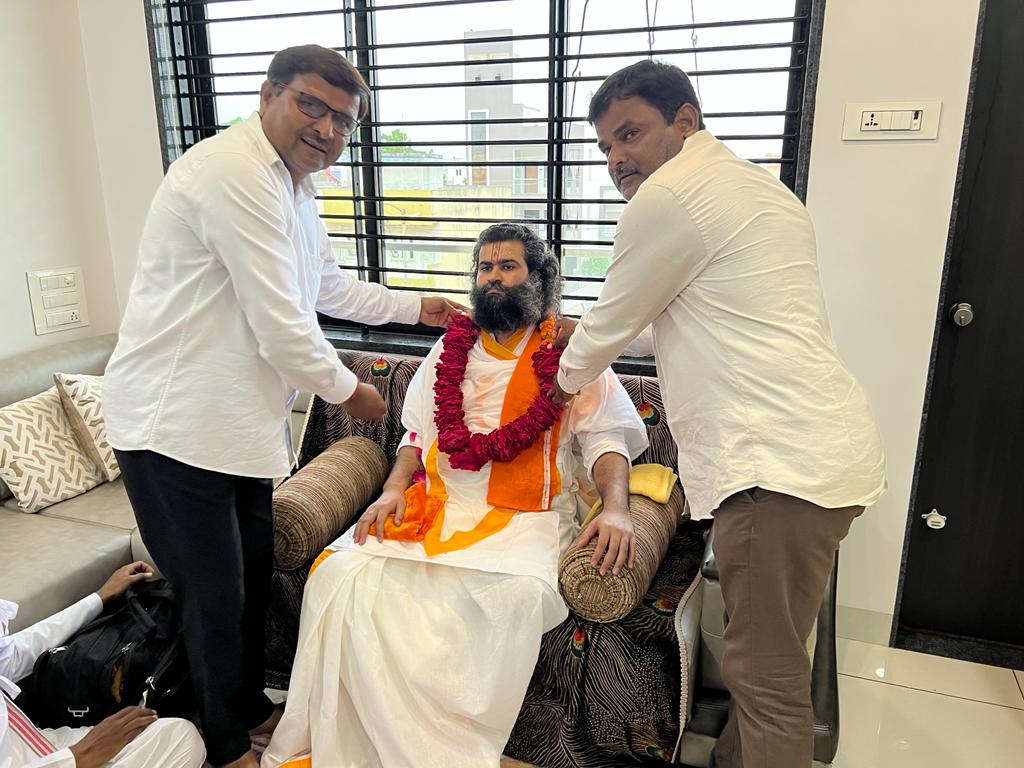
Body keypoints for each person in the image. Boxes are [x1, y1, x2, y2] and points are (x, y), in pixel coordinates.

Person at [102, 45, 462, 768]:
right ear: (269, 94)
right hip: (172, 427)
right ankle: (226, 746)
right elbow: (284, 325)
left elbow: (325, 288)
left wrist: (415, 306)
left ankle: (245, 706)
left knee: (248, 582)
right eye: (311, 105)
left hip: (235, 430)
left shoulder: (296, 190)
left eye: (344, 120)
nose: (327, 129)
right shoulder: (231, 173)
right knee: (212, 596)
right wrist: (354, 392)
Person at [549, 61, 887, 768]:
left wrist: (553, 379)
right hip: (824, 452)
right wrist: (583, 335)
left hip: (776, 470)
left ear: (685, 121)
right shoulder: (760, 188)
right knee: (770, 658)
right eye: (606, 146)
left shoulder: (670, 196)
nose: (616, 159)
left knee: (766, 681)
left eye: (630, 133)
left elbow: (608, 329)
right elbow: (673, 322)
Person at [261, 223, 648, 768]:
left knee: (512, 597)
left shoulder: (569, 353)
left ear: (539, 279)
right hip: (438, 505)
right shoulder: (451, 346)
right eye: (485, 268)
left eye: (508, 266)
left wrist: (618, 510)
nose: (493, 278)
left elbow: (607, 441)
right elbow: (416, 434)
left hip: (526, 517)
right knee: (340, 576)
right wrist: (392, 489)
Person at [1, 562, 206, 768]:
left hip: (31, 738)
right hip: (44, 759)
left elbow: (11, 654)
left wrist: (100, 597)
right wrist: (78, 757)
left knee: (181, 736)